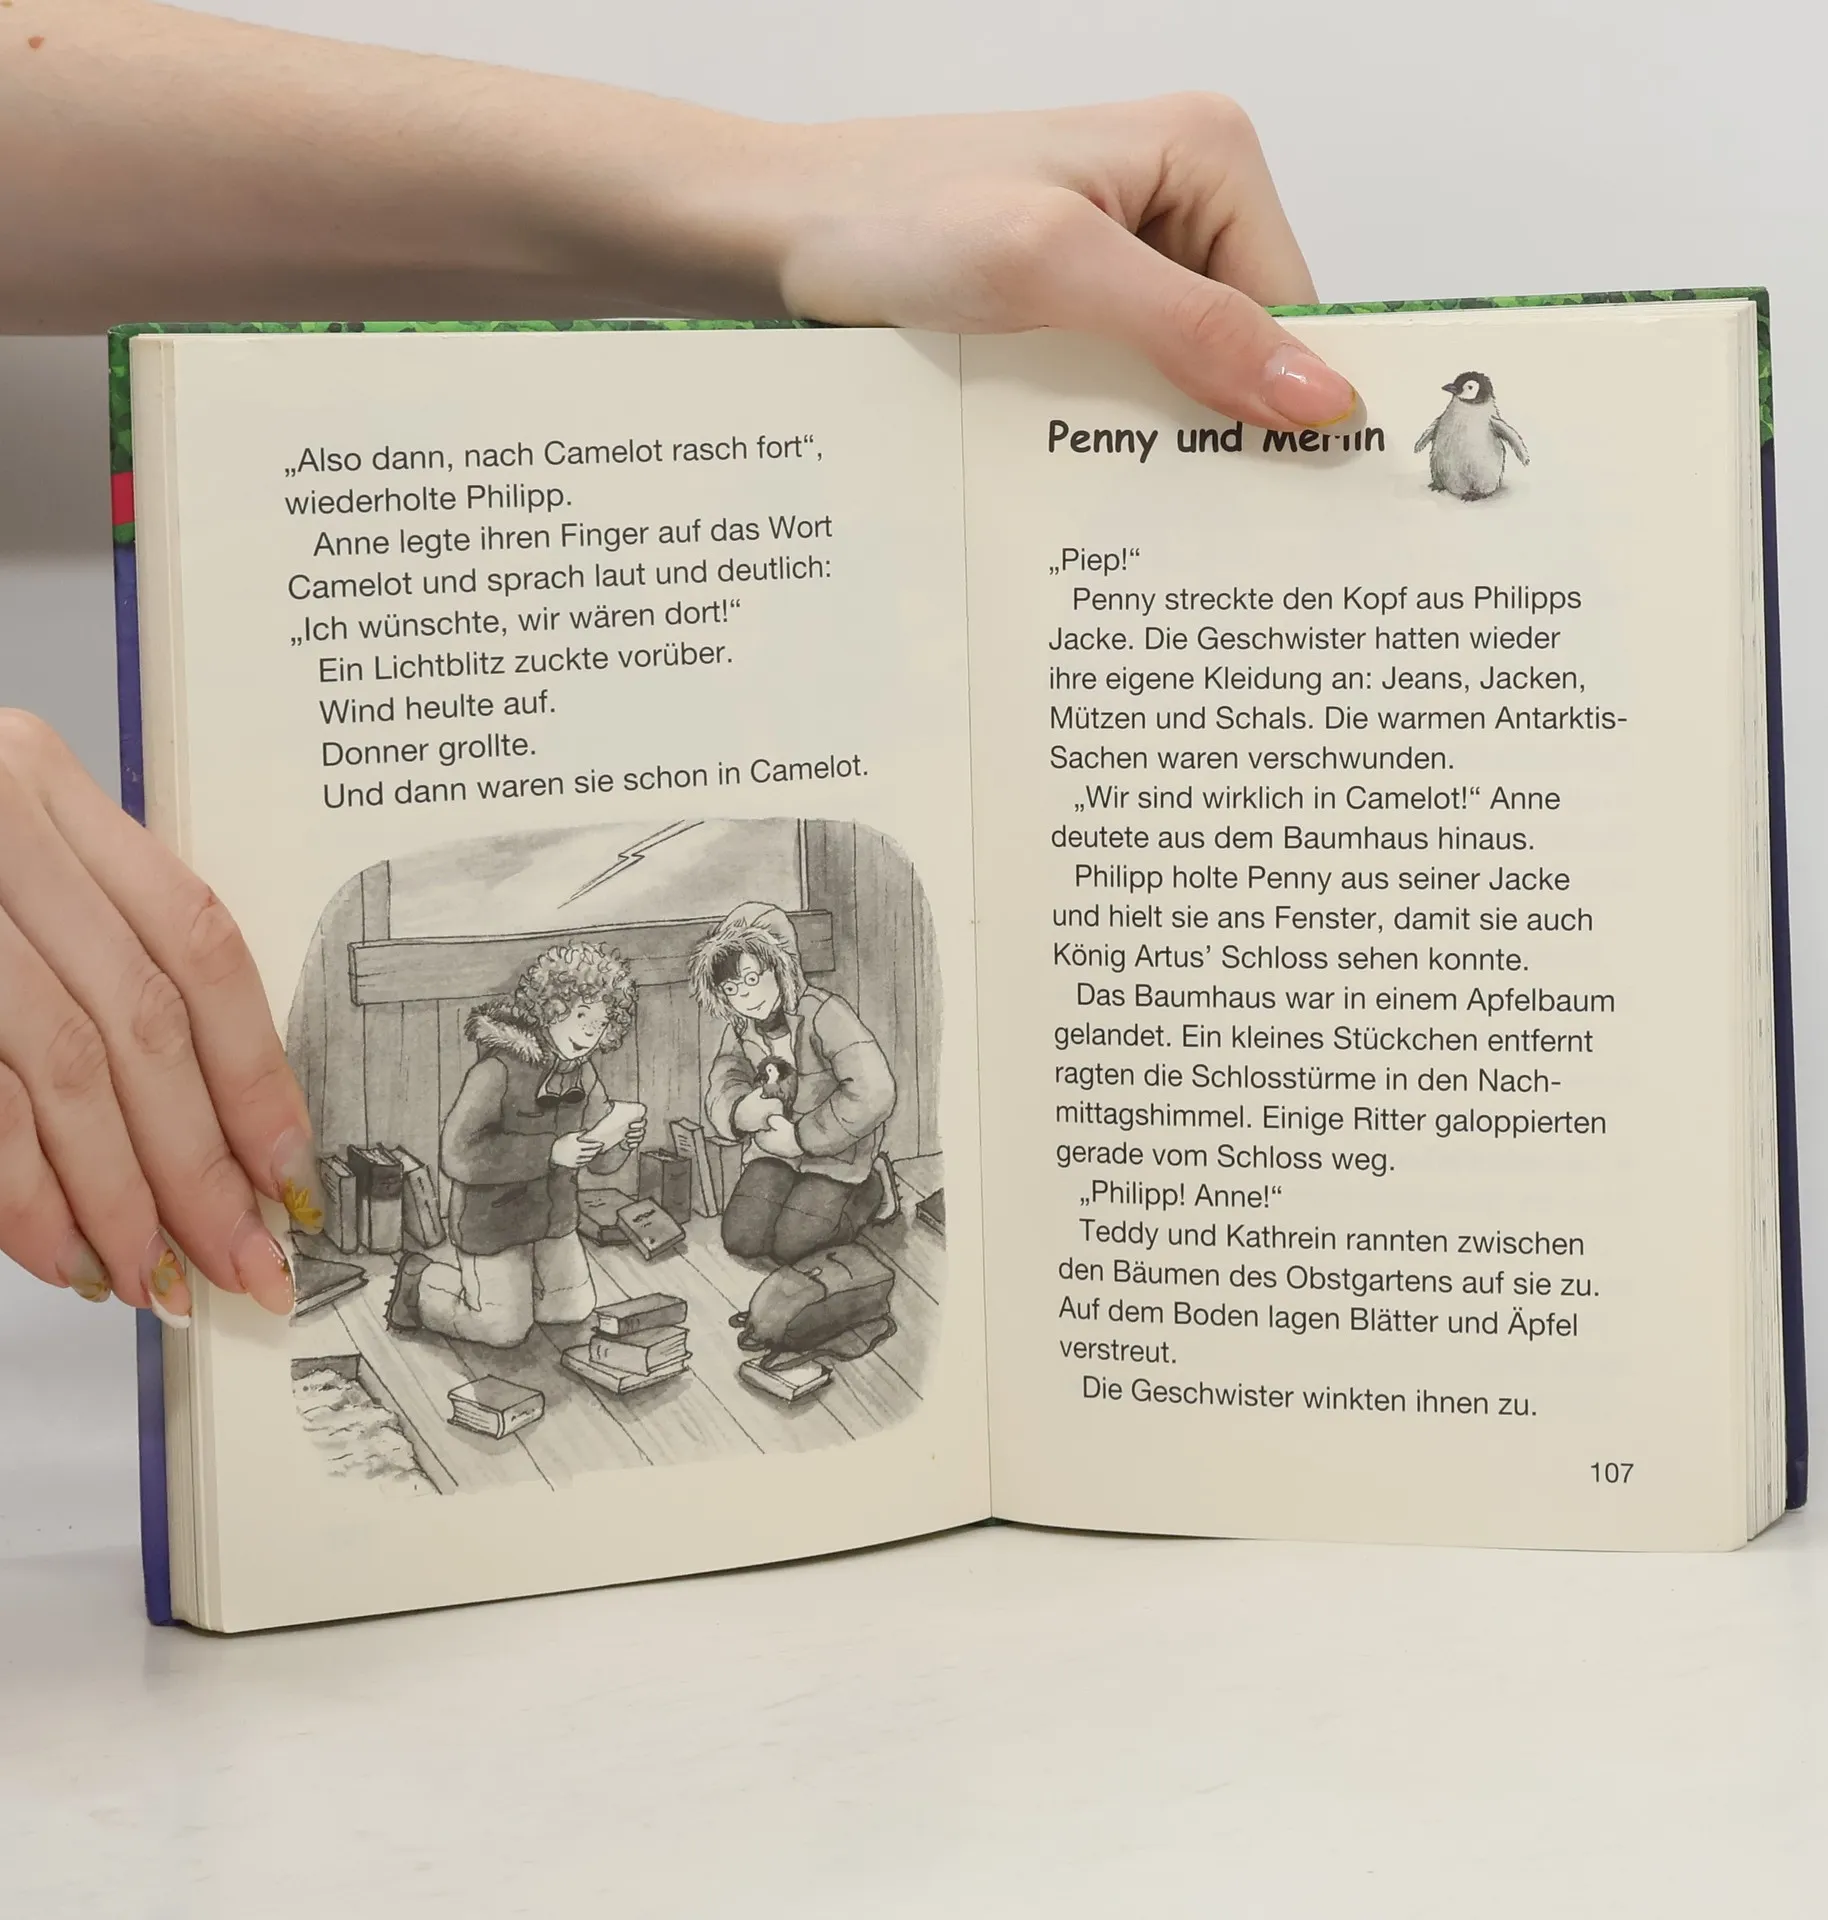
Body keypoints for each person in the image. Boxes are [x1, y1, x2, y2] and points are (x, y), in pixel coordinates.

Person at [0, 0, 1352, 1321]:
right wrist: (710, 1123)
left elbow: (855, 1094)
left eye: (743, 979)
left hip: (786, 1161)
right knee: (659, 1265)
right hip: (526, 1208)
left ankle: (777, 1237)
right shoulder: (535, 1065)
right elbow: (526, 1143)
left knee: (706, 1262)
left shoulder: (794, 1025)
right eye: (717, 988)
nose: (712, 1006)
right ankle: (445, 1300)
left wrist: (796, 197)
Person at [386, 943, 646, 1348]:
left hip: (554, 1219)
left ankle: (513, 1291)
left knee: (573, 1309)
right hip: (493, 1223)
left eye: (599, 1024)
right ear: (552, 1007)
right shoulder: (497, 1070)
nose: (588, 1033)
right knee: (504, 1330)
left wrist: (621, 1142)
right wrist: (550, 1153)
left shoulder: (584, 1072)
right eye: (580, 1016)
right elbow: (456, 1154)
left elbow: (599, 1163)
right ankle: (419, 1282)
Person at [692, 902, 898, 1267]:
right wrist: (738, 1112)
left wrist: (803, 1137)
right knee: (742, 1238)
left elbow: (875, 1091)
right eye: (732, 987)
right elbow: (726, 1077)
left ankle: (872, 1186)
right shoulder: (740, 1027)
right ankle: (801, 1193)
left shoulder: (825, 1013)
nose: (745, 996)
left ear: (782, 967)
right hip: (773, 1152)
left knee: (793, 1245)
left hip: (835, 1154)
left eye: (752, 979)